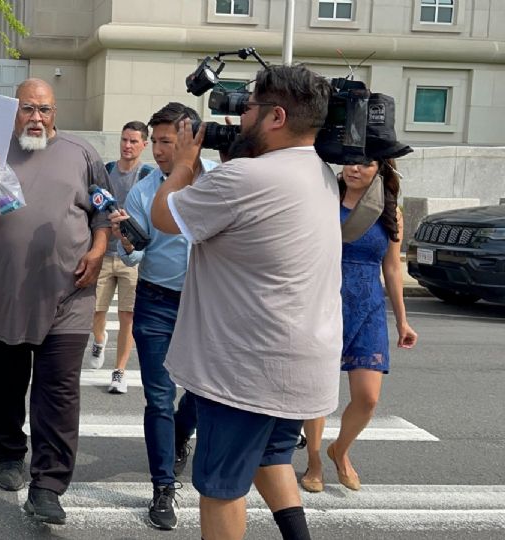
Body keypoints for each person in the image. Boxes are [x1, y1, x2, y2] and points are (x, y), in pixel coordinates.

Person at [152, 65, 341, 540]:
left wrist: (183, 166)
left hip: (246, 369)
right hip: (300, 363)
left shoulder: (244, 179)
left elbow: (164, 217)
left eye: (248, 106)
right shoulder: (321, 172)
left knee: (220, 487)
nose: (238, 116)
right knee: (270, 456)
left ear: (276, 116)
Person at [0, 78, 110, 525]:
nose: (37, 117)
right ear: (14, 110)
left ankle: (49, 486)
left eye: (45, 109)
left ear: (56, 113)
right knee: (4, 389)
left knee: (58, 394)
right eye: (29, 109)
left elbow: (103, 210)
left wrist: (97, 249)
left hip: (67, 297)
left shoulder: (82, 155)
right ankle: (10, 453)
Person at [109, 103, 217, 530]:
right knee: (157, 397)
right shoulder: (143, 188)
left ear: (191, 140)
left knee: (201, 392)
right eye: (154, 141)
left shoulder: (217, 181)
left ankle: (179, 434)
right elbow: (131, 255)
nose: (157, 150)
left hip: (207, 304)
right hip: (155, 302)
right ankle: (163, 488)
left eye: (166, 141)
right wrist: (128, 242)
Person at [300, 157, 418, 493]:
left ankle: (341, 450)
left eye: (364, 164)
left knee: (367, 398)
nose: (354, 169)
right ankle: (314, 459)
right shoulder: (324, 200)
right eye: (350, 163)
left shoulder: (389, 212)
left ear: (379, 170)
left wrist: (403, 321)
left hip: (368, 306)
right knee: (318, 392)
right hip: (323, 302)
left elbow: (393, 269)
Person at [88, 121, 153, 395]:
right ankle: (99, 339)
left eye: (134, 141)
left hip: (133, 255)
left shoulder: (148, 175)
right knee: (95, 310)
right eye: (124, 140)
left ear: (144, 145)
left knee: (127, 315)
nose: (127, 146)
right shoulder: (108, 171)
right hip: (104, 251)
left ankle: (120, 372)